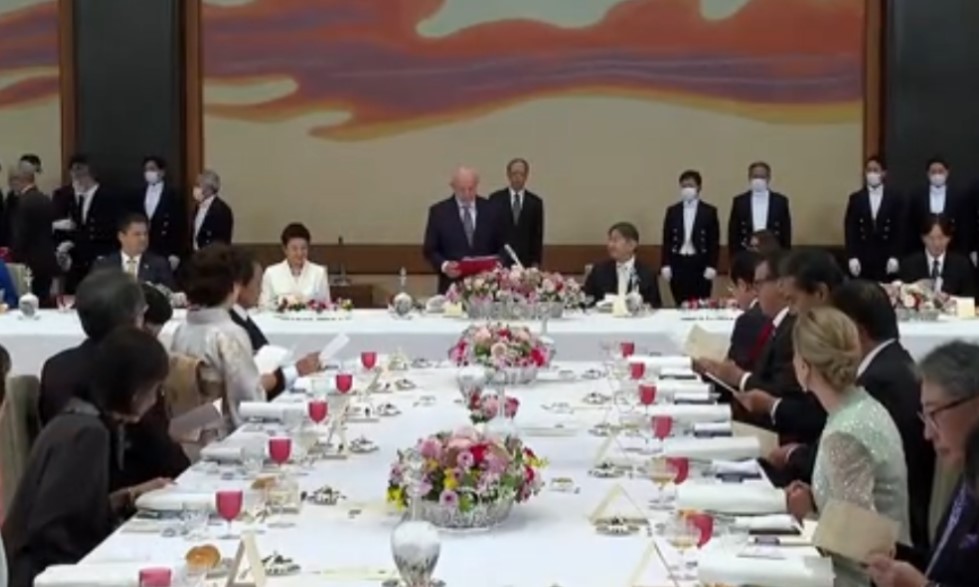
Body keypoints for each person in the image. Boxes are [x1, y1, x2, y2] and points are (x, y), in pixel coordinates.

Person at [2, 327, 172, 587]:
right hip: (41, 575)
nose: (155, 400)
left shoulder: (77, 419)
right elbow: (54, 532)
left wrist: (128, 496)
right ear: (136, 392)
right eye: (155, 390)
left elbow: (76, 512)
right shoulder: (87, 434)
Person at [784, 307, 909, 587]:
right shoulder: (864, 406)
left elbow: (859, 553)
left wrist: (806, 516)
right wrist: (817, 499)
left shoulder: (845, 434)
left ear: (804, 366)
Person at [37, 270, 189, 489]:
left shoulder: (56, 366)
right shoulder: (134, 366)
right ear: (136, 318)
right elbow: (159, 448)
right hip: (124, 491)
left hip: (61, 483)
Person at [867, 341, 979, 587]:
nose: (928, 433)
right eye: (924, 417)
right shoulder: (968, 474)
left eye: (934, 414)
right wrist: (889, 554)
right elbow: (943, 565)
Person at [733, 249, 845, 442]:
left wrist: (793, 453)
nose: (790, 311)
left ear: (820, 293)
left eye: (793, 301)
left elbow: (819, 415)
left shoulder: (835, 339)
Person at [171, 245, 265, 429]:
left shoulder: (181, 330)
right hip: (220, 432)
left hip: (183, 429)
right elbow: (247, 399)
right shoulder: (229, 334)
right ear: (234, 287)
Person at [702, 250, 796, 398]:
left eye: (759, 284)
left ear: (781, 285)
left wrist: (739, 377)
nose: (756, 292)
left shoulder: (791, 330)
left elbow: (781, 391)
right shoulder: (779, 325)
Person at [231, 248, 320, 399]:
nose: (260, 290)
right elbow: (248, 387)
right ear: (239, 286)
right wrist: (296, 370)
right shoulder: (233, 326)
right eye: (257, 284)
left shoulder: (241, 316)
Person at [422, 166, 505, 293]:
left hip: (487, 285)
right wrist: (445, 266)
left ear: (477, 185)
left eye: (471, 189)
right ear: (453, 187)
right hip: (452, 287)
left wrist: (497, 268)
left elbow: (504, 246)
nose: (467, 194)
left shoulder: (492, 210)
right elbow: (430, 249)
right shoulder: (439, 212)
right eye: (462, 189)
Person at [660, 169, 720, 305]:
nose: (687, 189)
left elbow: (713, 241)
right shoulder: (673, 211)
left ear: (699, 187)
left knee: (700, 303)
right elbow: (667, 239)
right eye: (684, 186)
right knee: (680, 302)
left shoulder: (709, 211)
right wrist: (665, 264)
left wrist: (712, 265)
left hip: (700, 263)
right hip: (678, 262)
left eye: (691, 185)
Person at [844, 154, 906, 282]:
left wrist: (896, 256)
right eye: (869, 170)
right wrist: (852, 257)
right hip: (862, 258)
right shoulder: (856, 198)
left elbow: (900, 229)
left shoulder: (895, 198)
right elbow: (850, 229)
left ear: (884, 173)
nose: (872, 174)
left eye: (875, 170)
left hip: (886, 258)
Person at [582, 221, 661, 308]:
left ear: (631, 245)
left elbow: (655, 305)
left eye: (615, 241)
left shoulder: (647, 273)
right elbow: (587, 300)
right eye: (610, 240)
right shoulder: (599, 270)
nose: (610, 245)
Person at [905, 157, 972, 258]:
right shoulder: (917, 196)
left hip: (952, 249)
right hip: (922, 250)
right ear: (928, 174)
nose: (937, 175)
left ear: (947, 172)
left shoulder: (958, 196)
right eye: (933, 172)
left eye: (940, 171)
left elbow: (964, 226)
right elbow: (911, 225)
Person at [8, 164, 56, 301]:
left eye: (11, 181)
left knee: (29, 303)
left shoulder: (23, 202)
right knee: (44, 300)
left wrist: (13, 257)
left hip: (28, 262)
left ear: (18, 180)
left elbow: (20, 235)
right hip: (47, 259)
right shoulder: (44, 198)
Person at [91, 213, 175, 289]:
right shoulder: (104, 265)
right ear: (121, 236)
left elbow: (169, 295)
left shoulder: (159, 265)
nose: (143, 239)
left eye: (145, 234)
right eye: (137, 234)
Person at [727, 161, 791, 258]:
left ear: (769, 178)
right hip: (746, 253)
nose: (758, 180)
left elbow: (786, 231)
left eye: (762, 177)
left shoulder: (780, 201)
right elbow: (733, 232)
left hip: (774, 254)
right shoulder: (740, 201)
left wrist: (785, 257)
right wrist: (734, 257)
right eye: (755, 176)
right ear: (749, 177)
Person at [487, 158, 544, 267]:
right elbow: (490, 233)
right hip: (501, 261)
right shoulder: (495, 199)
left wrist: (536, 263)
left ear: (526, 176)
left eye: (521, 174)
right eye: (514, 173)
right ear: (508, 175)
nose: (517, 177)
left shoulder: (535, 202)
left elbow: (537, 235)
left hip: (525, 262)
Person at [900, 214, 974, 297]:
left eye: (941, 238)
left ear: (949, 238)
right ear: (923, 238)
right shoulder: (909, 265)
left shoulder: (962, 265)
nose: (936, 244)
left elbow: (969, 298)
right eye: (931, 238)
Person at [259, 222, 330, 306]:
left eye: (303, 248)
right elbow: (263, 305)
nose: (299, 253)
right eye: (294, 249)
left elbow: (326, 305)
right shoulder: (271, 273)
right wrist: (284, 301)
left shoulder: (319, 272)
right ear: (285, 249)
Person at [136, 156, 186, 270]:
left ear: (162, 172)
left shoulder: (173, 195)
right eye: (146, 169)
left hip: (164, 248)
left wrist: (175, 252)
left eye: (152, 169)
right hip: (143, 247)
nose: (148, 173)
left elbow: (179, 225)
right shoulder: (139, 193)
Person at [725, 251, 770, 370]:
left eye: (732, 288)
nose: (733, 295)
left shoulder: (748, 321)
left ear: (742, 285)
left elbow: (736, 369)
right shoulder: (776, 311)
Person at [192, 169, 233, 251]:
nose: (195, 189)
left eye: (199, 186)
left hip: (211, 255)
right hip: (196, 253)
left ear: (209, 188)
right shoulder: (197, 207)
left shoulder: (222, 210)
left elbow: (222, 241)